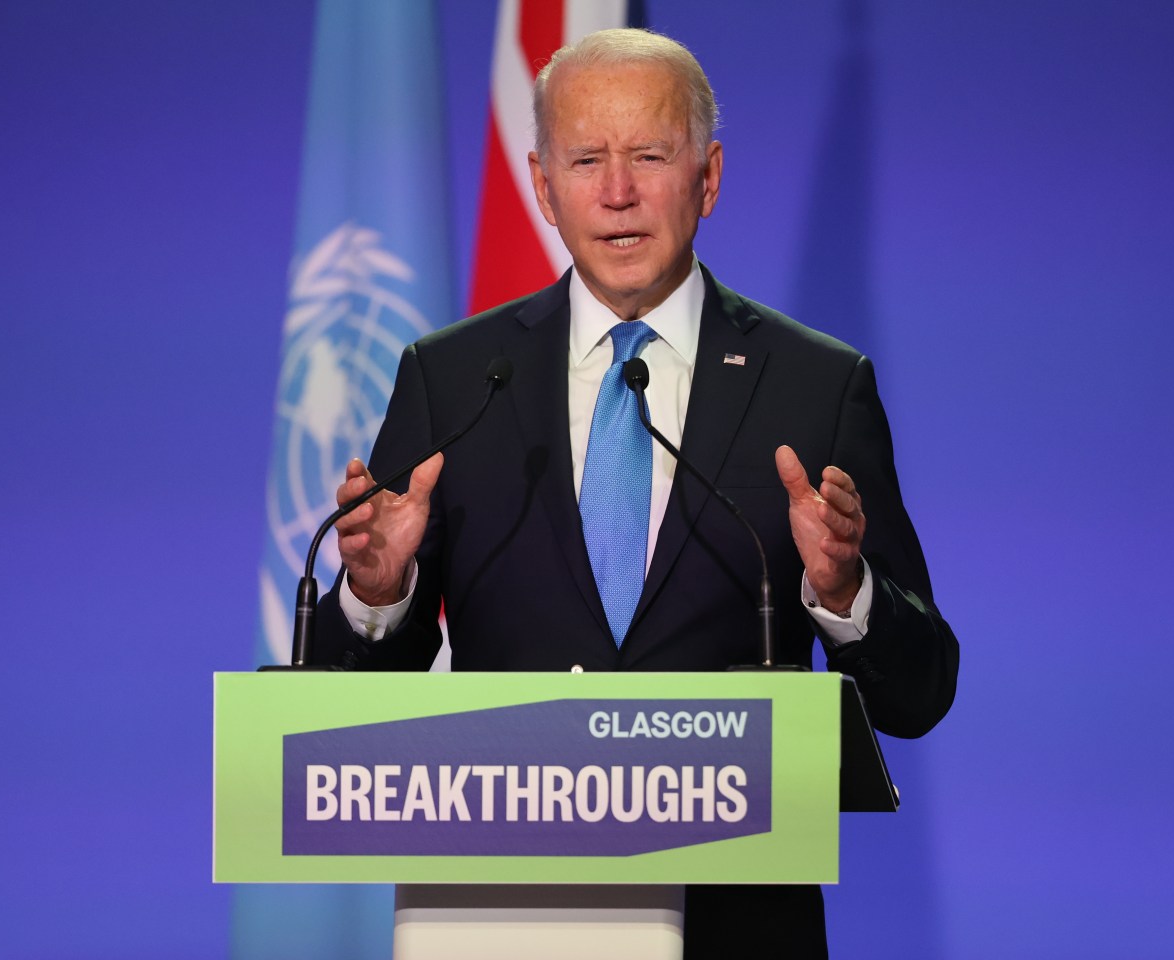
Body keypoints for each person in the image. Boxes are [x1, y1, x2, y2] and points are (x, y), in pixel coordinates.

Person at [313, 27, 958, 958]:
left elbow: (922, 691)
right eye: (586, 160)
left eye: (649, 156)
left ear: (708, 176)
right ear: (542, 185)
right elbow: (357, 694)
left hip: (735, 924)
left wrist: (846, 594)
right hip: (502, 915)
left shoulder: (815, 386)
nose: (617, 192)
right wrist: (377, 598)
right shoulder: (452, 382)